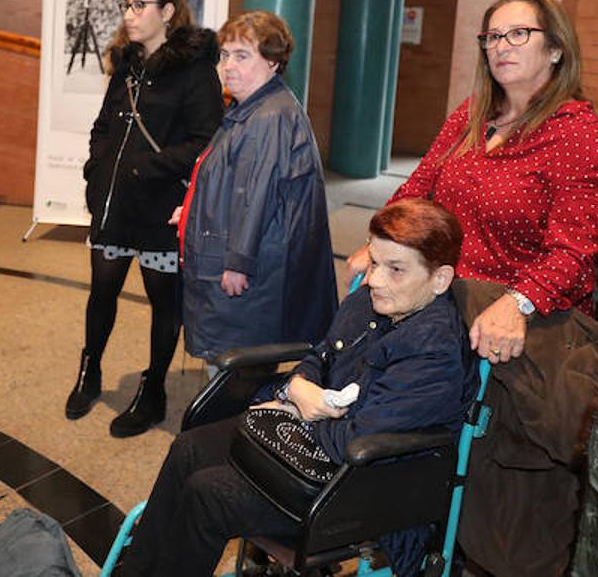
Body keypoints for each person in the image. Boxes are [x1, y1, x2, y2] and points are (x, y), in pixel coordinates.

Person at [115, 198, 477, 577]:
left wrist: (298, 408)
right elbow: (320, 354)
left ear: (440, 279)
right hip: (312, 441)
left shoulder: (434, 352)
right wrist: (297, 388)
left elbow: (357, 441)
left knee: (208, 494)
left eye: (396, 269)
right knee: (187, 448)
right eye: (373, 262)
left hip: (360, 487)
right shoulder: (368, 302)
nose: (374, 279)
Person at [346, 0, 598, 367]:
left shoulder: (576, 136)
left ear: (556, 50)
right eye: (492, 37)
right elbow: (417, 189)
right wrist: (380, 247)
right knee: (351, 333)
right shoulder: (473, 114)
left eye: (518, 33)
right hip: (438, 292)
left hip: (502, 311)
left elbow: (574, 252)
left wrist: (518, 303)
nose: (501, 46)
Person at [66, 0, 223, 437]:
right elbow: (101, 128)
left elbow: (206, 142)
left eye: (139, 5)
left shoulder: (195, 72)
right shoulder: (127, 66)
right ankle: (89, 371)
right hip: (114, 205)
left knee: (163, 303)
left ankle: (153, 391)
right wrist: (97, 169)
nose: (129, 14)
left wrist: (142, 167)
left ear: (167, 12)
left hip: (160, 208)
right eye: (126, 5)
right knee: (102, 293)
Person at [176, 10, 337, 366]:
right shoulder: (254, 108)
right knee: (237, 365)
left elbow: (255, 195)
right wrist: (192, 208)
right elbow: (230, 180)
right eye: (224, 55)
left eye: (242, 56)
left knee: (238, 367)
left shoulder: (267, 117)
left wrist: (238, 262)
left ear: (274, 62)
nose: (228, 66)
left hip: (249, 265)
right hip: (249, 253)